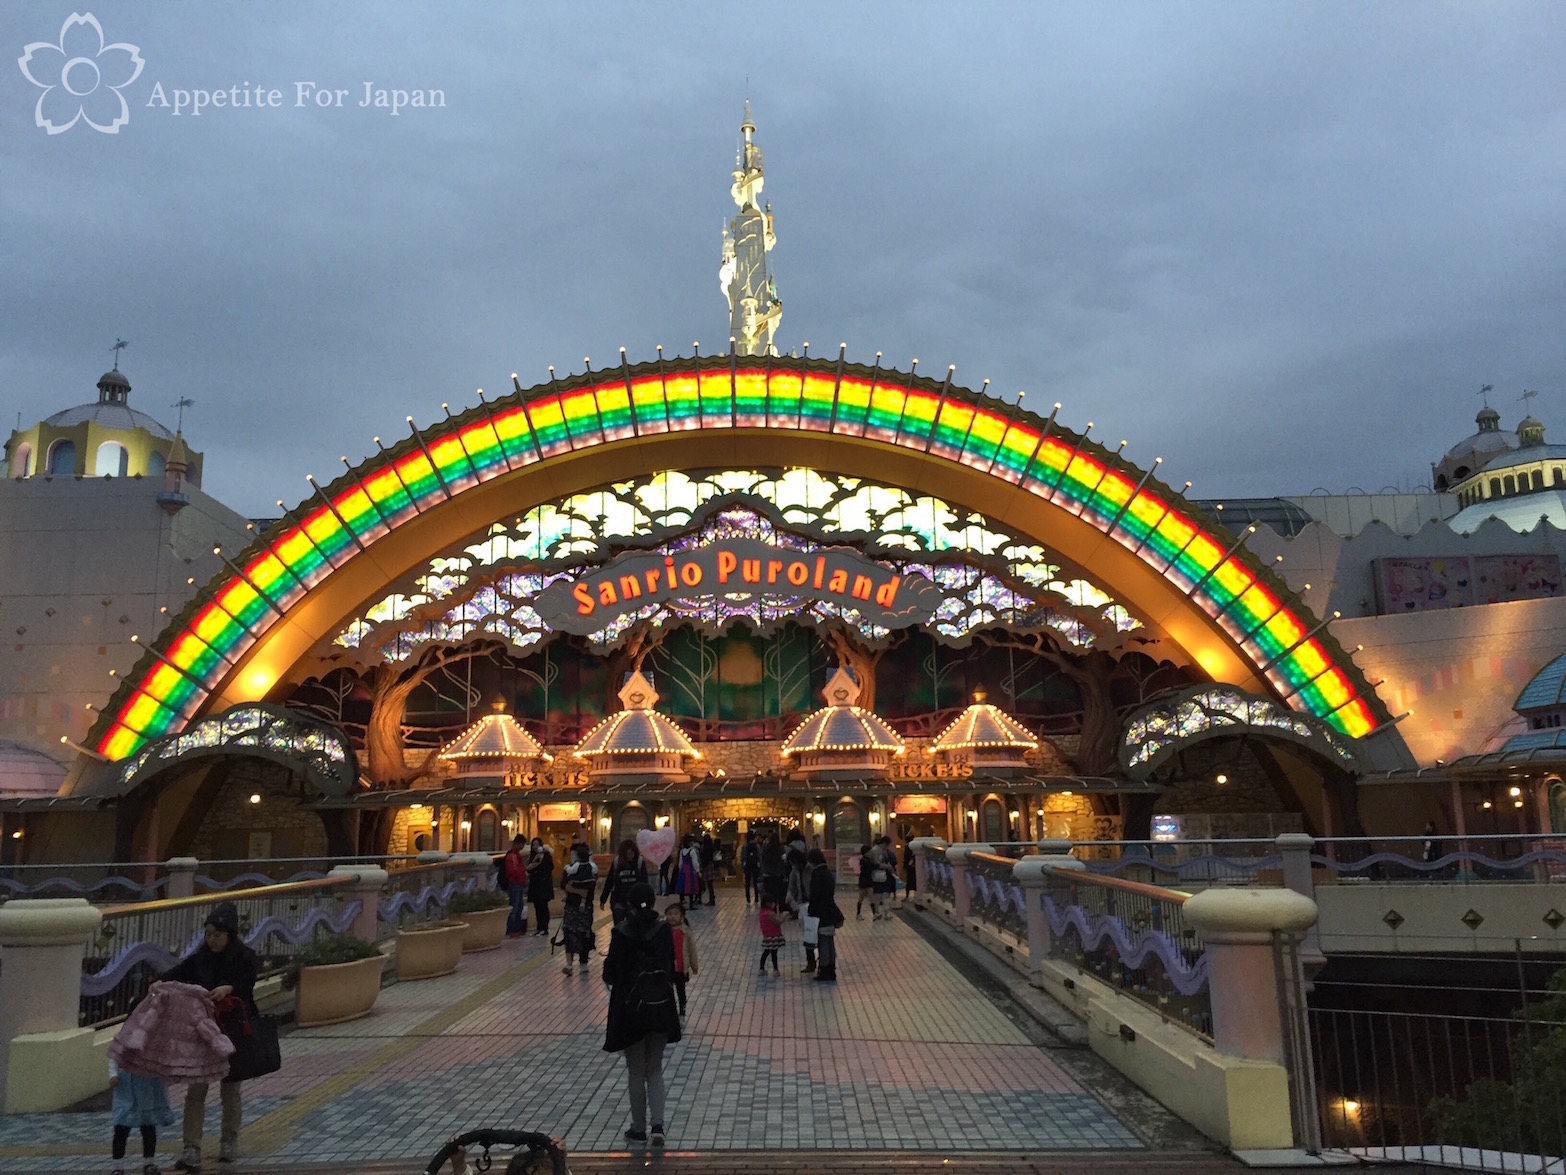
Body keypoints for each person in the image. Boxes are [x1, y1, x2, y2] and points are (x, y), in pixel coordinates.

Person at [164, 901, 258, 1171]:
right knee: (196, 1090)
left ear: (230, 934)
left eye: (217, 934)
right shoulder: (200, 958)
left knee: (230, 1089)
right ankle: (191, 1147)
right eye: (208, 934)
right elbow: (177, 975)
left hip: (232, 1030)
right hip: (204, 1031)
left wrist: (229, 988)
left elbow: (248, 985)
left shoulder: (244, 957)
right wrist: (157, 984)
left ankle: (229, 1142)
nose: (212, 939)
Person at [602, 882, 680, 1149]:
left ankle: (638, 1129)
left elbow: (610, 973)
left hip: (631, 1009)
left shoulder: (622, 932)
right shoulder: (663, 931)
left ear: (631, 905)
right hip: (660, 1005)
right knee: (655, 1068)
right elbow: (670, 964)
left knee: (636, 1071)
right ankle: (658, 1126)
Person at [108, 1052, 175, 1175]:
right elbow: (115, 1058)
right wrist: (113, 1074)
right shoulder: (125, 1039)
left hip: (147, 1087)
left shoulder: (153, 1041)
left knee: (148, 1126)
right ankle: (117, 1166)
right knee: (121, 1128)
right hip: (126, 1088)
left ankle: (149, 1162)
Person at [806, 848, 845, 983]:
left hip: (820, 913)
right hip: (830, 910)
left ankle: (824, 968)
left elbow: (814, 896)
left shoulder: (817, 874)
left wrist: (811, 912)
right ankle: (831, 967)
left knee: (823, 941)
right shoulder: (828, 873)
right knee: (829, 941)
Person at [560, 842, 599, 975]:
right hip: (577, 906)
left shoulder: (574, 869)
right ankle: (571, 964)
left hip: (579, 907)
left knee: (580, 933)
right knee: (574, 932)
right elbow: (563, 884)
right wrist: (580, 892)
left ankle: (581, 962)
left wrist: (573, 890)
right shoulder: (589, 869)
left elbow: (565, 885)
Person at [601, 840, 650, 926]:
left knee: (633, 926)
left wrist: (646, 902)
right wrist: (603, 899)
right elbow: (610, 881)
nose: (630, 856)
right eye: (628, 854)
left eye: (632, 854)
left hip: (635, 901)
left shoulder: (639, 863)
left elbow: (644, 883)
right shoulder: (617, 862)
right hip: (619, 899)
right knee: (619, 926)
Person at [784, 848, 816, 974]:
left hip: (813, 903)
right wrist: (790, 896)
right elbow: (792, 887)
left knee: (813, 932)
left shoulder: (811, 869)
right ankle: (811, 961)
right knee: (807, 934)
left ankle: (818, 960)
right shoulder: (794, 871)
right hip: (802, 904)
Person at [665, 900, 697, 1016]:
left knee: (680, 990)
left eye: (675, 914)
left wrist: (694, 966)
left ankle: (682, 1007)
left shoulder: (686, 932)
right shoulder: (664, 931)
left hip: (681, 967)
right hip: (668, 967)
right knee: (668, 990)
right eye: (669, 914)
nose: (672, 917)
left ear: (681, 916)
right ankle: (670, 1009)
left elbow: (692, 949)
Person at [503, 833, 530, 939]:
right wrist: (523, 873)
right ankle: (511, 929)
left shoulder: (516, 855)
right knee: (515, 907)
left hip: (518, 883)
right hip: (515, 883)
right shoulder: (512, 856)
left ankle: (516, 929)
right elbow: (513, 870)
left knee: (519, 907)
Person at [526, 837, 555, 937]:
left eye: (537, 845)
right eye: (533, 845)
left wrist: (541, 861)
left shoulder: (546, 855)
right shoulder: (533, 856)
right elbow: (529, 867)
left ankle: (544, 928)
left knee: (543, 906)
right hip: (535, 884)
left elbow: (550, 867)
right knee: (537, 907)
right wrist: (535, 862)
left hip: (544, 884)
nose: (535, 847)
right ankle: (539, 928)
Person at [673, 835, 702, 910]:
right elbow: (695, 862)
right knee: (691, 887)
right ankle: (691, 904)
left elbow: (680, 862)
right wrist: (698, 871)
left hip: (683, 870)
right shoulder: (692, 851)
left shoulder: (682, 851)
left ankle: (681, 903)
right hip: (690, 870)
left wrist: (680, 869)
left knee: (682, 887)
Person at [872, 835, 898, 919]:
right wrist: (887, 867)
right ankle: (877, 912)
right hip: (878, 875)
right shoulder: (876, 851)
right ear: (884, 843)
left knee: (885, 894)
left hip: (884, 875)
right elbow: (876, 863)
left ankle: (886, 912)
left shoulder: (883, 851)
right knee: (878, 895)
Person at [758, 832, 787, 907]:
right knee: (779, 896)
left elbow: (762, 861)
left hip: (767, 875)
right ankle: (780, 913)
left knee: (770, 896)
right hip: (778, 875)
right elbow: (784, 860)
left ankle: (771, 912)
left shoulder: (765, 849)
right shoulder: (781, 848)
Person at [758, 898, 785, 976]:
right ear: (768, 903)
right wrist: (784, 916)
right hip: (773, 936)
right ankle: (775, 969)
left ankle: (761, 968)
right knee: (774, 953)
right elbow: (778, 922)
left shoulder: (762, 912)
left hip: (766, 936)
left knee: (766, 952)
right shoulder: (770, 913)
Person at [740, 830, 761, 904]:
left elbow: (742, 856)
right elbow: (759, 855)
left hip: (748, 865)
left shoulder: (745, 846)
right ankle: (756, 898)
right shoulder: (757, 845)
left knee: (747, 882)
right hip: (755, 865)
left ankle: (748, 898)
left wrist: (743, 864)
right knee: (755, 882)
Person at [855, 843, 876, 920]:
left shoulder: (869, 860)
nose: (870, 853)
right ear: (865, 852)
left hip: (868, 880)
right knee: (861, 897)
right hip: (864, 880)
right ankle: (858, 913)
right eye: (869, 852)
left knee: (871, 896)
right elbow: (870, 867)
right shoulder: (863, 860)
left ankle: (874, 914)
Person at [698, 832, 718, 907]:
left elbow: (703, 857)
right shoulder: (712, 847)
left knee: (703, 883)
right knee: (710, 884)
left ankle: (701, 898)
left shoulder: (704, 848)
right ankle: (712, 898)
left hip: (705, 866)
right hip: (710, 865)